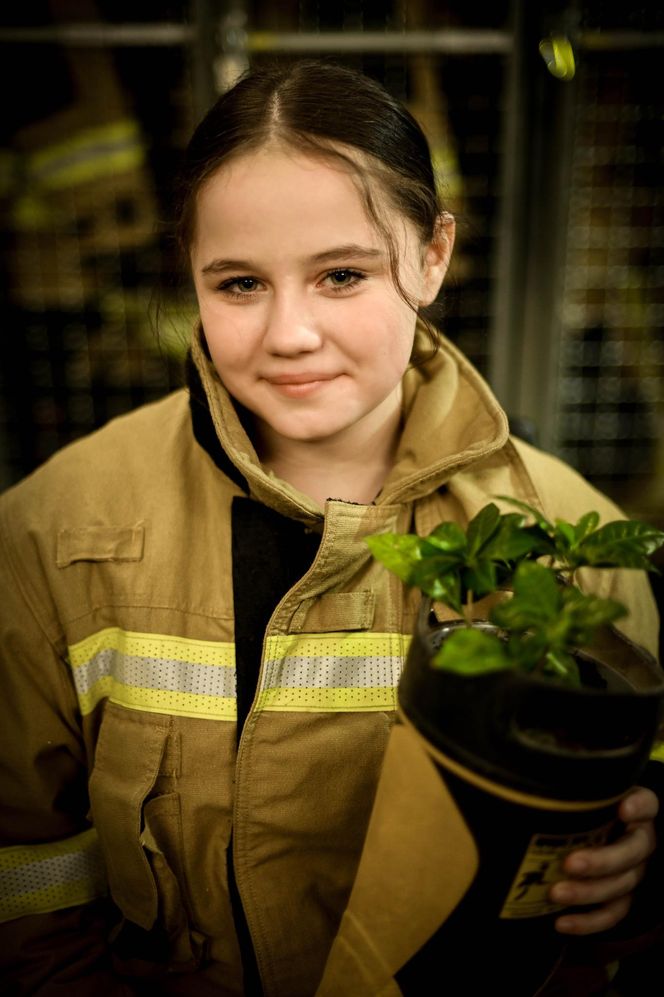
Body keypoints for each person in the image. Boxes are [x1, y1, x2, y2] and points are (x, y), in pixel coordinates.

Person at [0, 60, 660, 997]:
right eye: (238, 285)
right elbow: (23, 871)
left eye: (341, 274)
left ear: (432, 256)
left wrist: (641, 867)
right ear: (189, 276)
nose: (291, 332)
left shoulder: (567, 537)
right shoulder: (52, 530)